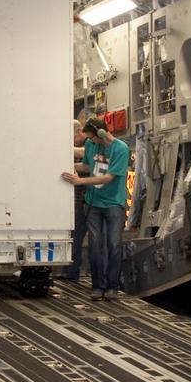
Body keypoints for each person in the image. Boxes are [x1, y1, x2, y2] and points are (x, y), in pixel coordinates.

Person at [62, 117, 129, 302]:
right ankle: (98, 285)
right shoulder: (92, 146)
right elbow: (86, 166)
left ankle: (112, 286)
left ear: (101, 133)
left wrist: (80, 181)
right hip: (93, 203)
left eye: (92, 137)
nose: (90, 141)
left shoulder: (120, 149)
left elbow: (108, 178)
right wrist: (66, 167)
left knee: (114, 245)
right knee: (95, 245)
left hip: (113, 204)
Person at [63, 120, 87, 281]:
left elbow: (83, 155)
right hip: (76, 196)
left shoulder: (90, 145)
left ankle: (72, 273)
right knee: (73, 235)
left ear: (79, 132)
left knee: (77, 235)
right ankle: (70, 271)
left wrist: (62, 149)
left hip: (85, 196)